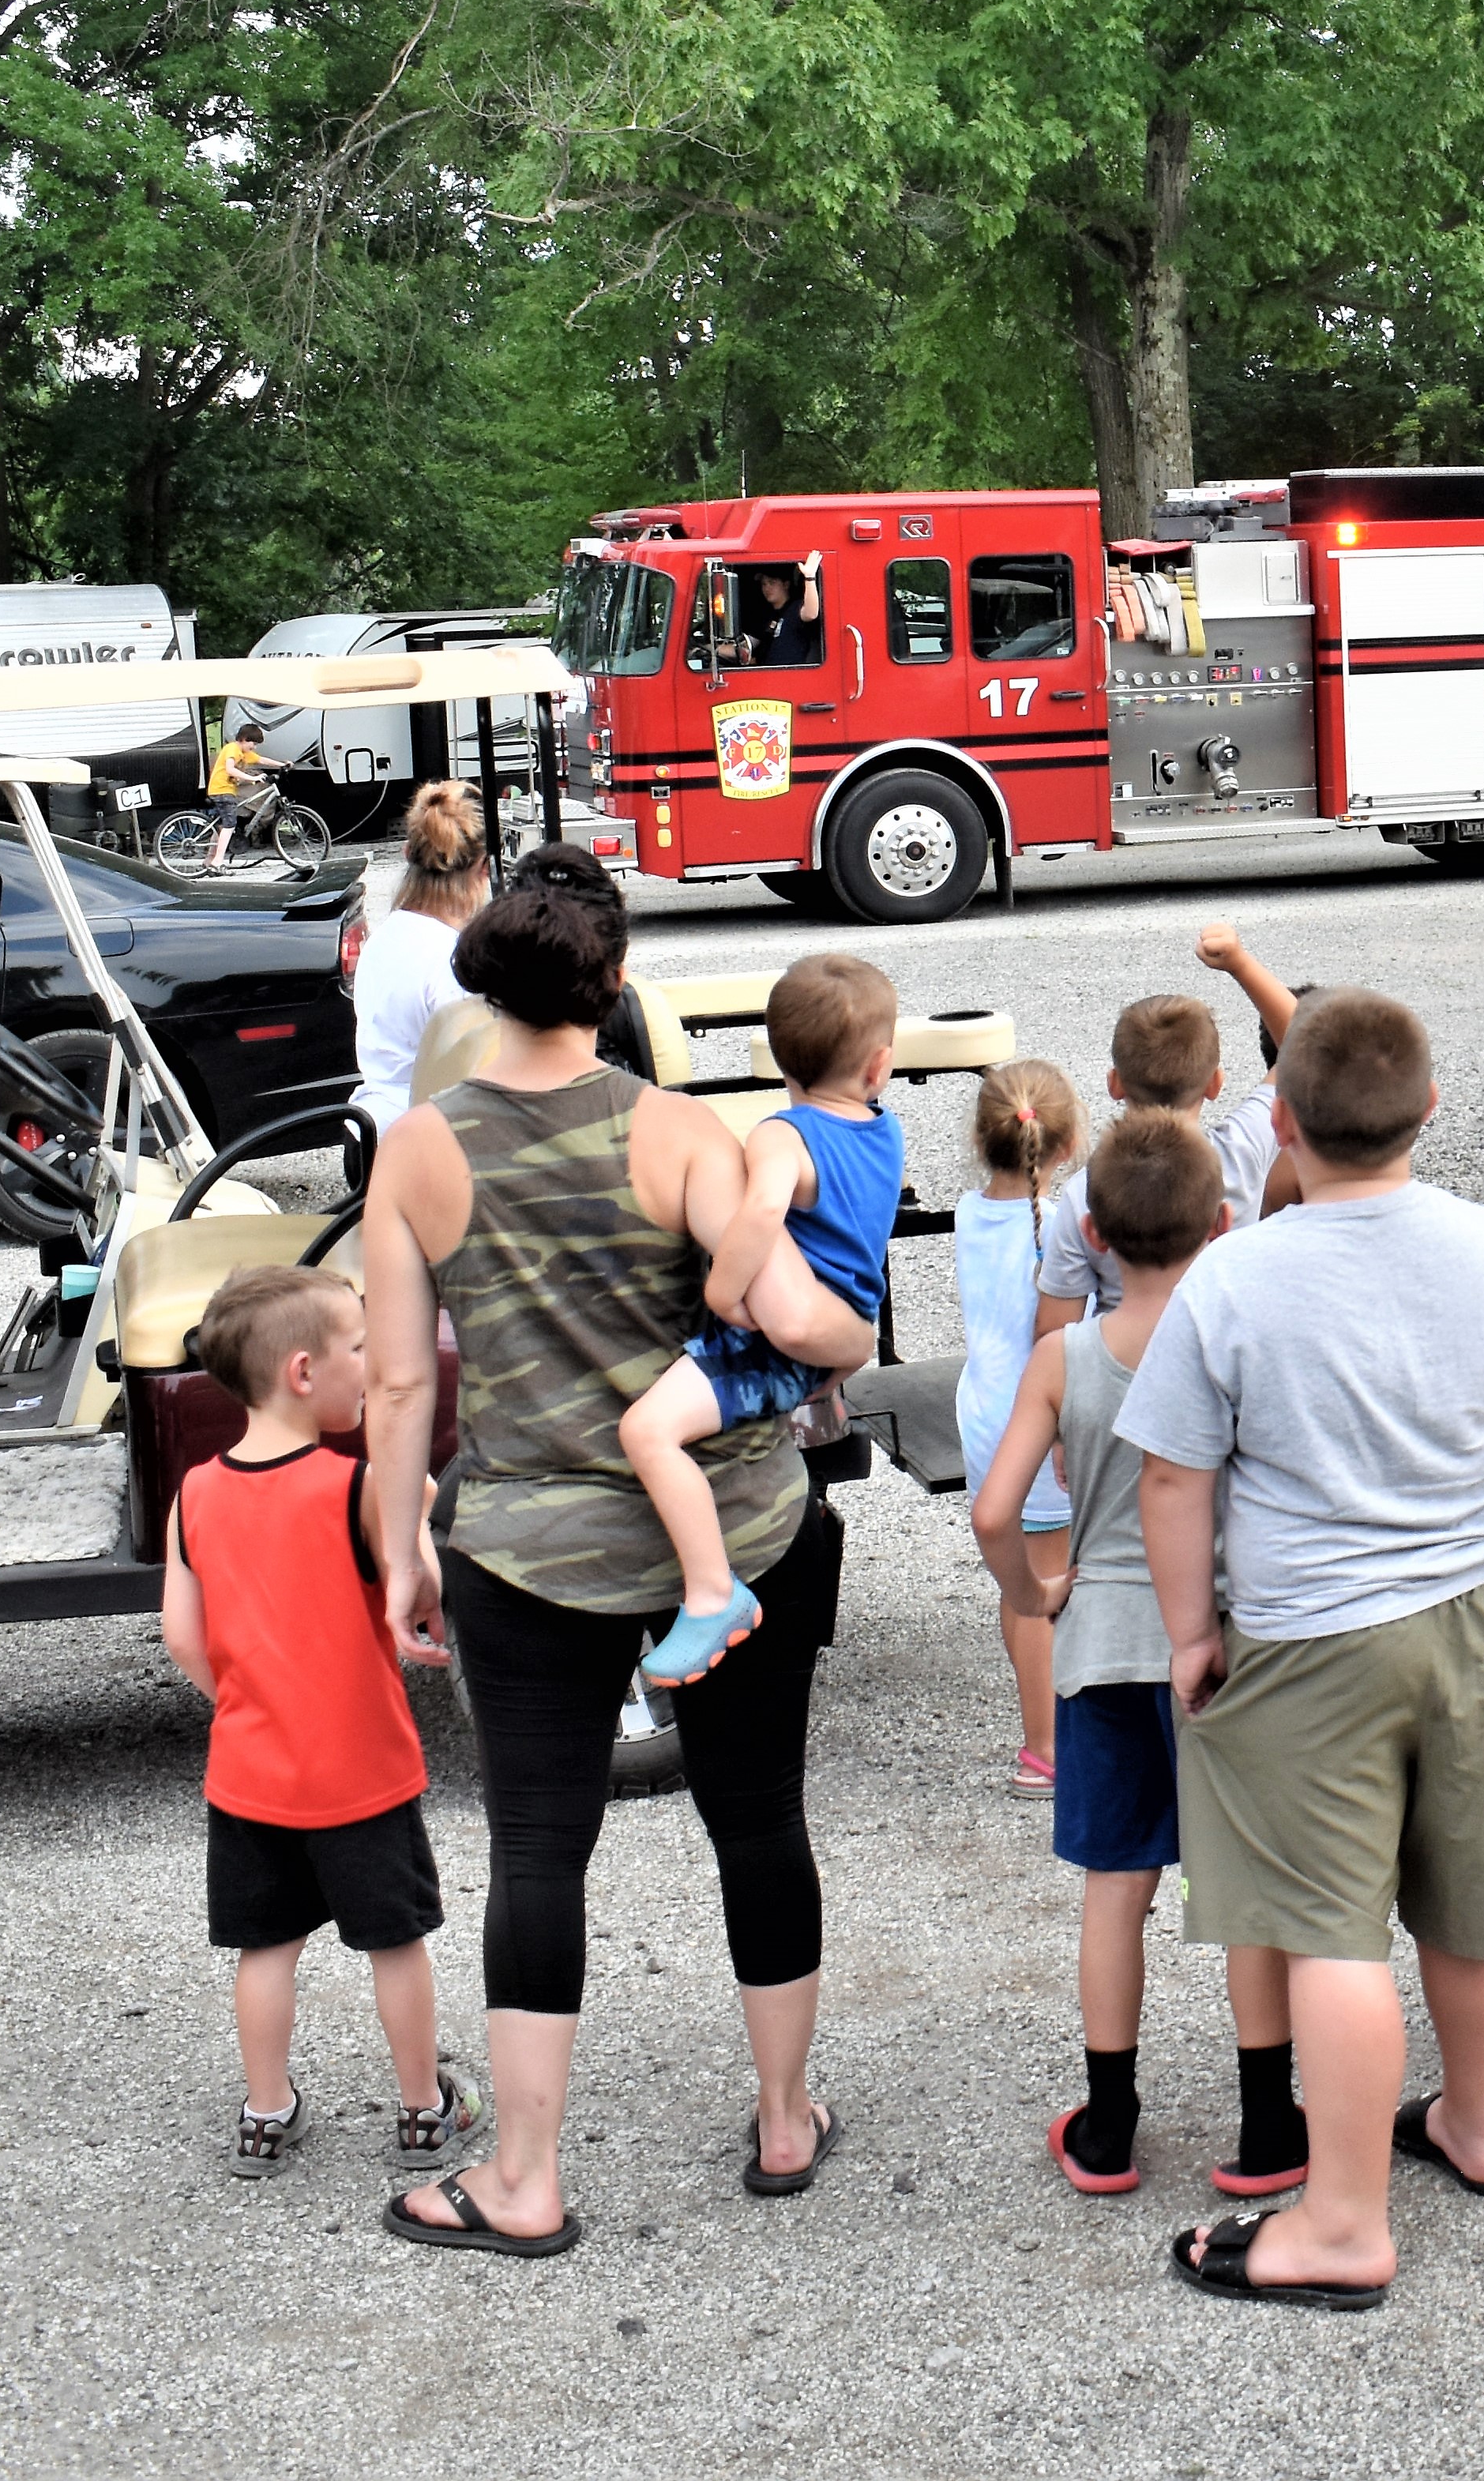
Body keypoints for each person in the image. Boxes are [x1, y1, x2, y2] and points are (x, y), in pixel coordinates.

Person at [361, 843, 873, 2254]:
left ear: (484, 987)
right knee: (759, 1819)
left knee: (539, 1851)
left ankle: (523, 2178)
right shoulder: (683, 1135)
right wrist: (850, 1327)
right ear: (616, 980)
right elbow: (792, 1318)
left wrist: (401, 1542)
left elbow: (402, 1385)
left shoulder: (420, 1149)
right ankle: (784, 2118)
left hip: (530, 1552)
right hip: (741, 1528)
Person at [1121, 988, 1484, 2310]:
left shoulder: (1235, 1275)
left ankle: (1341, 2222)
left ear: (1277, 1123)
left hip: (1308, 1631)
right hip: (1479, 1615)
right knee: (1475, 1885)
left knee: (1331, 1926)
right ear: (1428, 1111)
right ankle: (1479, 2126)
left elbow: (1174, 1480)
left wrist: (1189, 1636)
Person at [163, 1265, 483, 2179]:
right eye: (358, 1346)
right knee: (394, 1940)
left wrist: (243, 1699)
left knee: (265, 1947)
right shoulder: (357, 1489)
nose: (372, 1362)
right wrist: (411, 1494)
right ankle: (423, 2108)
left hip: (252, 1767)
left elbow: (183, 1634)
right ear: (304, 1371)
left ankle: (266, 2110)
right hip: (362, 1768)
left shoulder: (196, 1494)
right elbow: (418, 1584)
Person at [972, 1110, 1241, 2196]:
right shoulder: (1232, 1339)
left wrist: (1033, 1593)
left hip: (1104, 1642)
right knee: (1245, 1890)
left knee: (1114, 1888)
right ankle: (1270, 2116)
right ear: (1223, 1224)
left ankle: (1112, 2121)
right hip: (1218, 1642)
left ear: (1091, 1230)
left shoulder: (1064, 1357)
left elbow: (998, 1510)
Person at [613, 953, 901, 1690]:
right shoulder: (884, 1130)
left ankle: (713, 1593)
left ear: (777, 1057)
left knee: (646, 1431)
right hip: (843, 1327)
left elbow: (766, 1207)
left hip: (769, 1347)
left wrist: (725, 1292)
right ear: (880, 1067)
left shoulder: (785, 1135)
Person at [1034, 924, 1299, 1346]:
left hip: (1121, 1377)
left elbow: (1053, 1331)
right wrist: (1239, 963)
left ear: (1115, 1084)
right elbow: (1302, 1042)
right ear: (1215, 1084)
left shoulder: (1085, 1191)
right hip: (1225, 1364)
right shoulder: (1240, 1152)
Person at [960, 1060, 1086, 1795]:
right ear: (1066, 1146)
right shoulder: (1064, 1225)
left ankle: (1038, 1727)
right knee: (1046, 1589)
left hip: (984, 1414)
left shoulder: (971, 1210)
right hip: (1034, 1426)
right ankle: (1045, 1749)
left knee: (1018, 1586)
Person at [350, 784, 492, 1128]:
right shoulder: (453, 961)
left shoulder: (385, 938)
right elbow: (472, 1075)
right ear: (484, 868)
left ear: (407, 852)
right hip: (423, 1133)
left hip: (371, 1123)